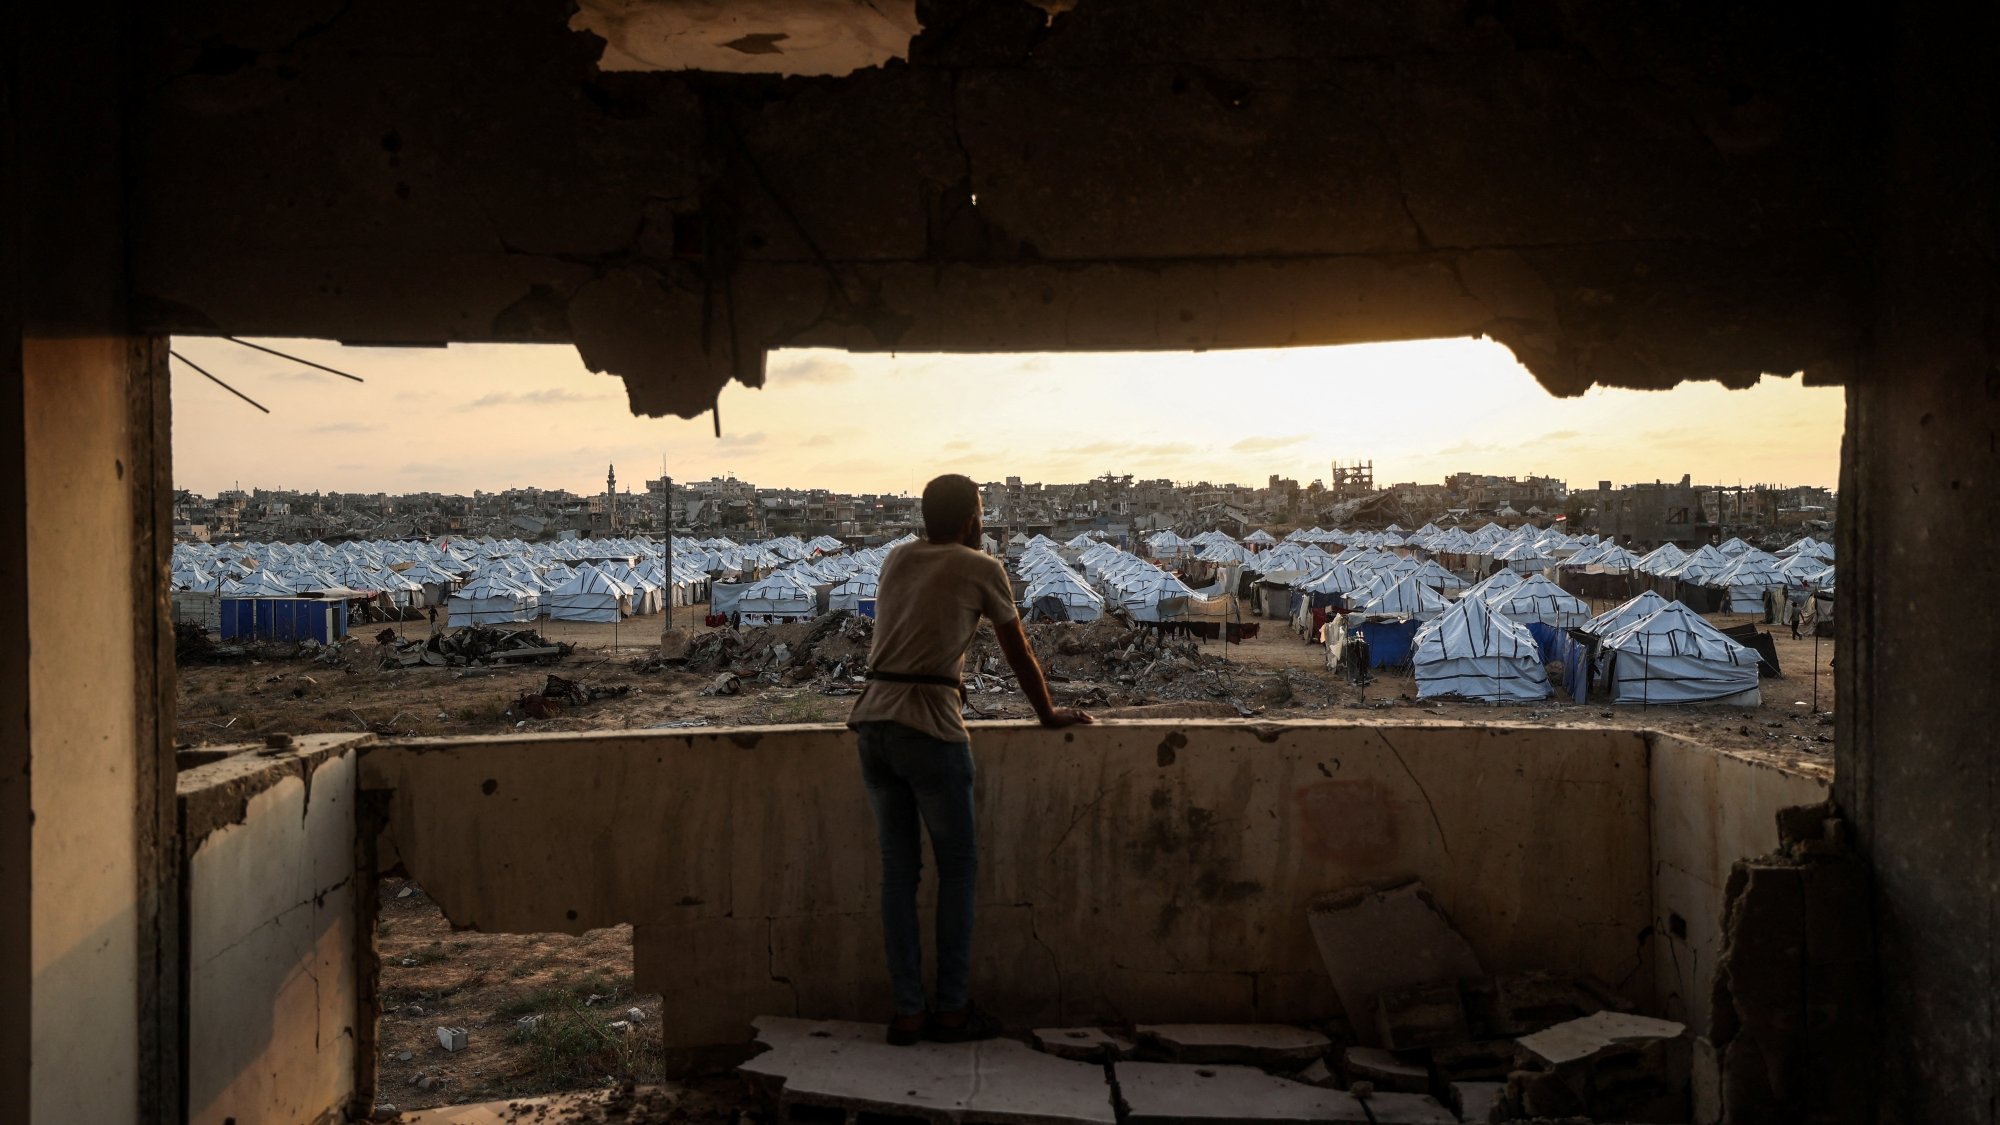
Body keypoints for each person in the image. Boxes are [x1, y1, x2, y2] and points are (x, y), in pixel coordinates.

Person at [847, 474, 1093, 1046]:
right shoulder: (981, 568)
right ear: (969, 522)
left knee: (897, 876)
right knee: (957, 872)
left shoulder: (896, 559)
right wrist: (1048, 713)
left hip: (874, 724)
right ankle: (952, 1011)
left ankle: (908, 1013)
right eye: (981, 513)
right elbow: (1020, 651)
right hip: (929, 729)